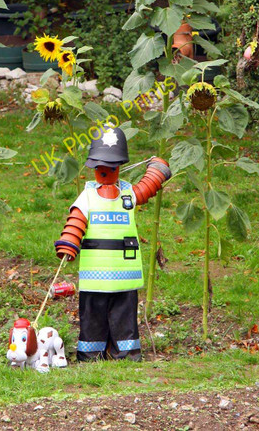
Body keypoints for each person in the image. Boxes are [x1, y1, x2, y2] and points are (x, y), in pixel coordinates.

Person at [54, 125, 171, 362]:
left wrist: (158, 171)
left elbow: (146, 190)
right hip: (95, 276)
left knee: (124, 315)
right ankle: (92, 352)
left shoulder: (128, 193)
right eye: (102, 167)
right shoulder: (87, 195)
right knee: (93, 315)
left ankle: (125, 352)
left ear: (119, 166)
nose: (106, 171)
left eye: (111, 166)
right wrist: (68, 242)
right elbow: (77, 218)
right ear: (95, 168)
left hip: (124, 275)